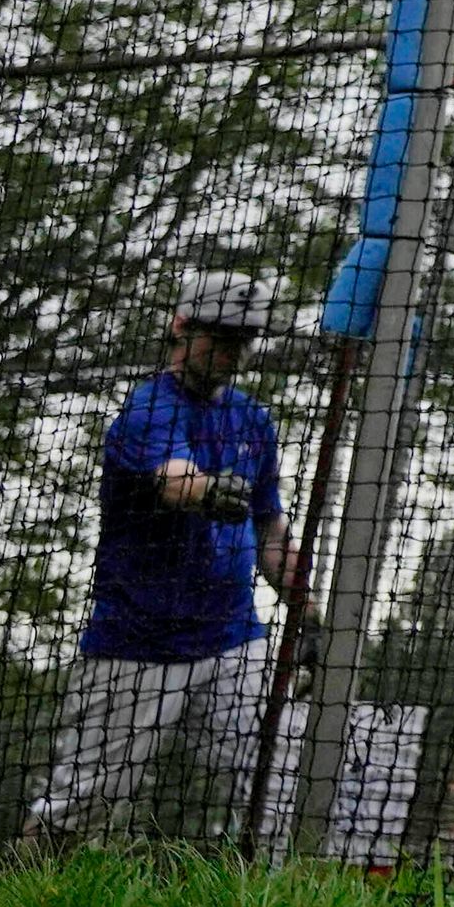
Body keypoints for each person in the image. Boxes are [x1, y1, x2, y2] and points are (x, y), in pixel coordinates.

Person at [22, 271, 315, 846]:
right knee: (85, 800)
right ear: (181, 327)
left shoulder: (253, 420)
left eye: (242, 340)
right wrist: (209, 491)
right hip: (140, 645)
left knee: (276, 772)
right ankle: (15, 903)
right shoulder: (148, 408)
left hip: (233, 637)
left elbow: (270, 527)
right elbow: (174, 481)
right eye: (220, 336)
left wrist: (308, 611)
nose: (231, 352)